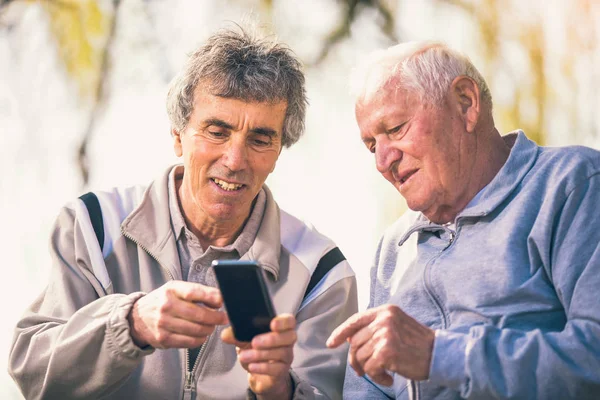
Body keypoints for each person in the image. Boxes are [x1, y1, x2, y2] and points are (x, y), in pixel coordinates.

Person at [9, 27, 358, 400]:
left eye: (259, 139)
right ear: (178, 135)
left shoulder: (321, 272)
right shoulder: (92, 227)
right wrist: (131, 323)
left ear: (279, 150)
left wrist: (280, 389)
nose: (235, 160)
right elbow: (35, 373)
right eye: (216, 132)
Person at [326, 41, 600, 399]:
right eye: (371, 145)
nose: (383, 160)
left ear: (466, 104)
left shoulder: (570, 185)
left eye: (395, 129)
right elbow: (367, 389)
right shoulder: (394, 246)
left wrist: (440, 356)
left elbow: (592, 357)